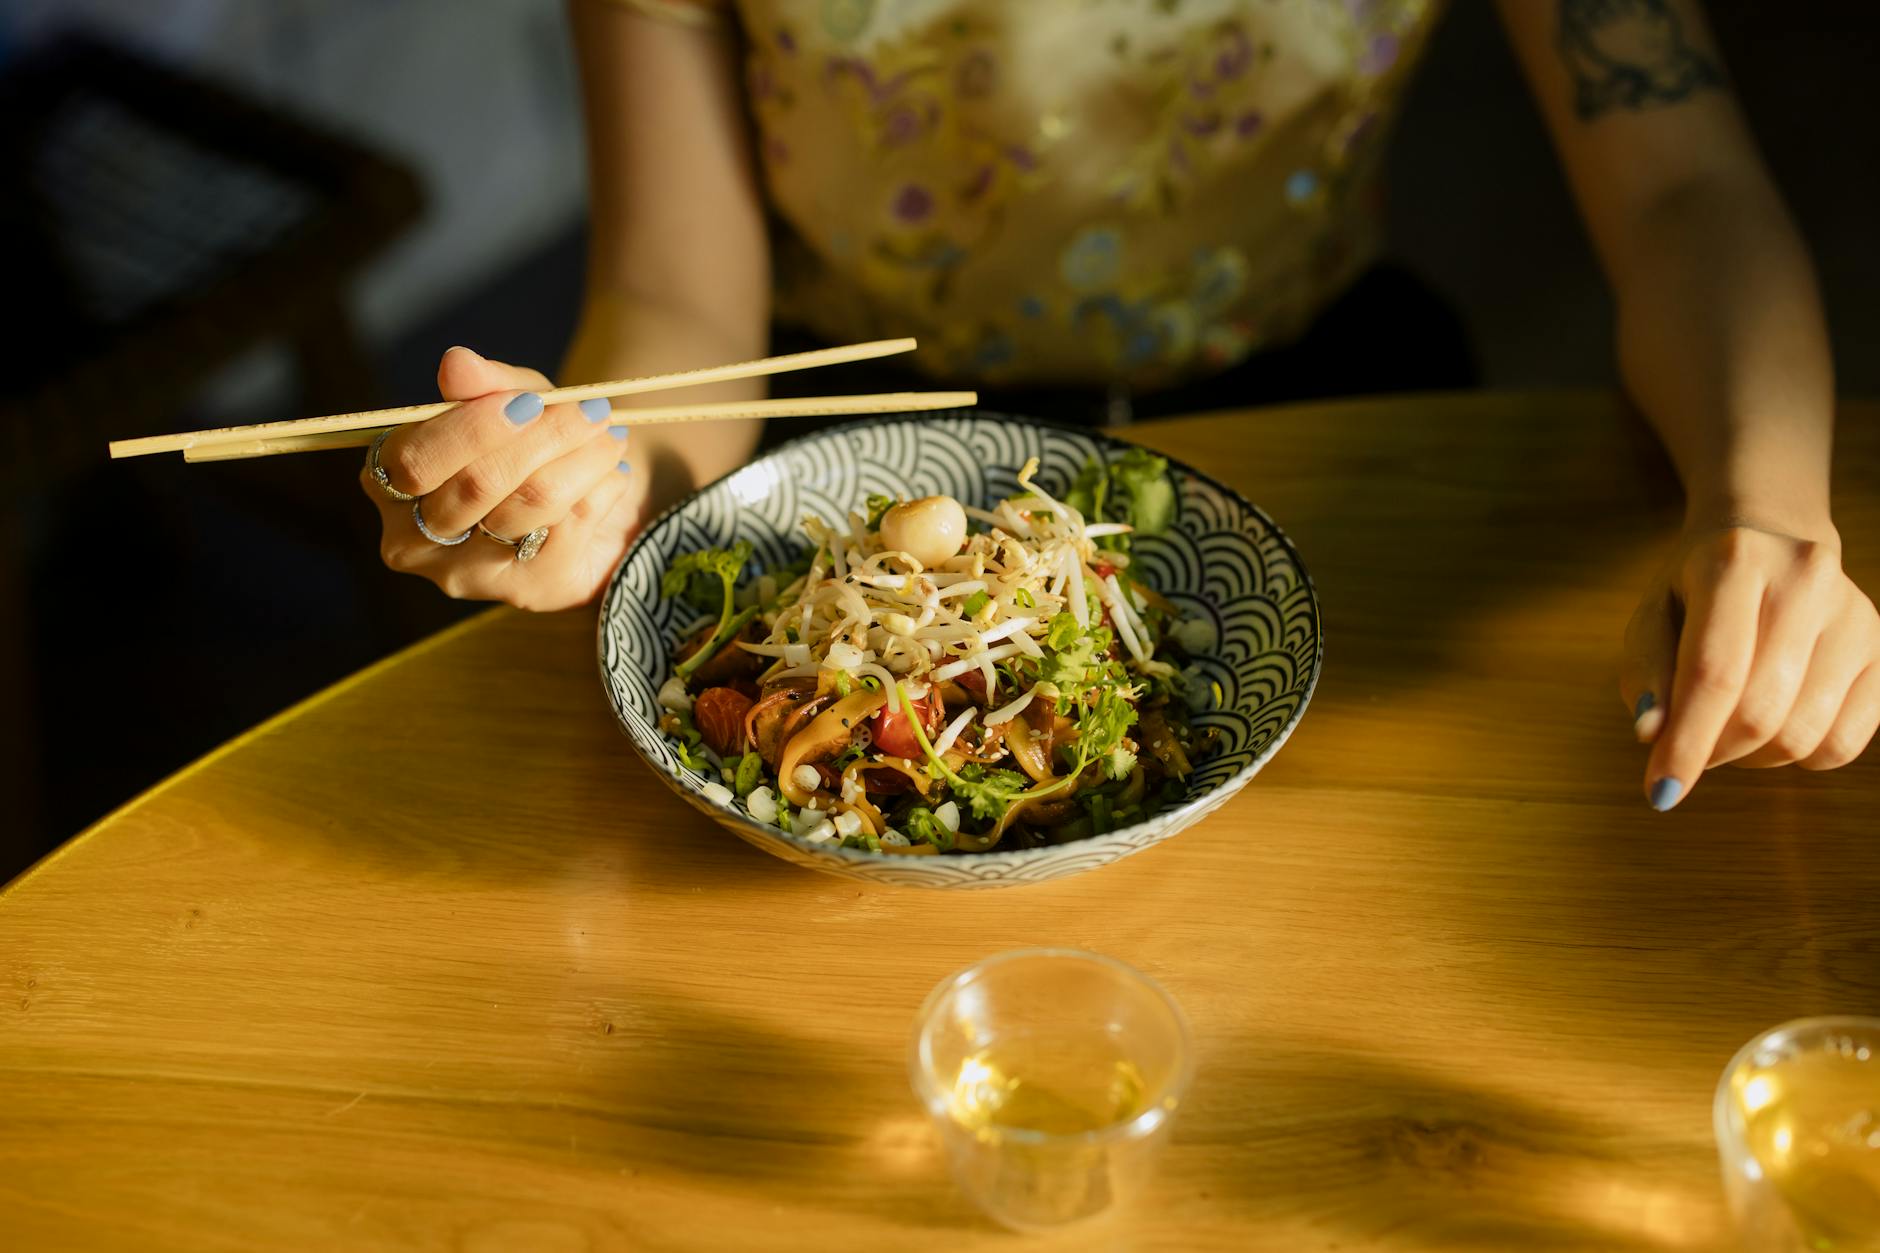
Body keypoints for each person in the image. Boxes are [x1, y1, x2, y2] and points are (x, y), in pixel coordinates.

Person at [359, 0, 1878, 811]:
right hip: (854, 450)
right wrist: (602, 474)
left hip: (1320, 394)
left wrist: (1765, 512)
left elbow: (1681, 187)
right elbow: (683, 304)